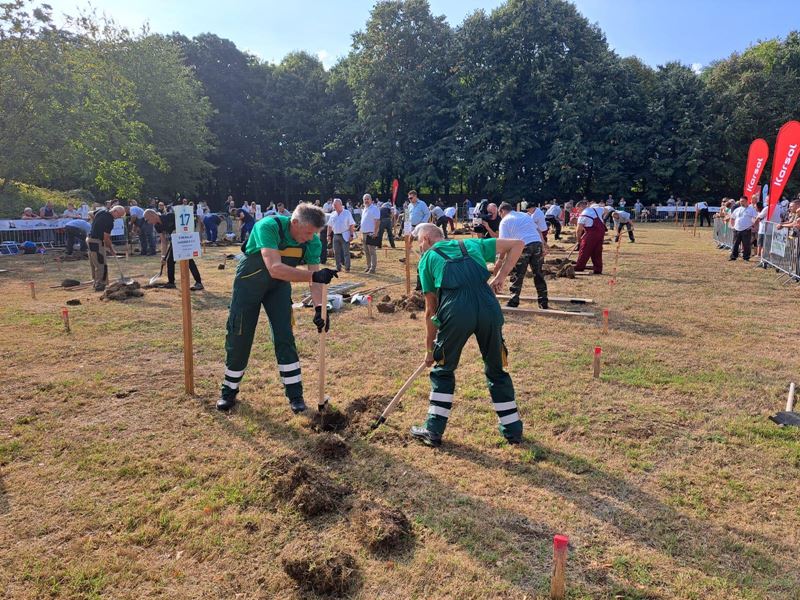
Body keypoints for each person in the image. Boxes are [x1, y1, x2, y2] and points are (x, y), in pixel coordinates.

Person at [409, 223, 525, 447]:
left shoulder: (427, 259)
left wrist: (430, 349)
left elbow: (430, 309)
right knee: (496, 369)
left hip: (455, 309)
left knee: (443, 369)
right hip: (488, 307)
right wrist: (500, 277)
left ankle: (433, 430)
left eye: (418, 243)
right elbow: (518, 244)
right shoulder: (472, 243)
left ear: (425, 239)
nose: (419, 248)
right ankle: (513, 431)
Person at [217, 204, 339, 413]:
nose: (311, 238)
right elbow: (274, 268)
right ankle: (229, 391)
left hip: (279, 288)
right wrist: (313, 276)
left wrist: (319, 309)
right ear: (295, 223)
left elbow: (315, 280)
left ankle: (295, 396)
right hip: (249, 283)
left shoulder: (312, 241)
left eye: (314, 234)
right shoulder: (269, 226)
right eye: (308, 232)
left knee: (285, 336)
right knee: (240, 334)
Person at [498, 202, 549, 309]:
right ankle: (543, 301)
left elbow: (504, 244)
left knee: (517, 274)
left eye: (500, 214)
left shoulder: (504, 221)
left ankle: (514, 300)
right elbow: (538, 230)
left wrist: (501, 260)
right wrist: (543, 244)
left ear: (502, 211)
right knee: (538, 273)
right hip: (536, 243)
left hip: (523, 246)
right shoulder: (524, 215)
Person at [143, 209, 204, 290]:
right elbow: (163, 241)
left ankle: (199, 283)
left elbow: (185, 222)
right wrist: (163, 256)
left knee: (189, 260)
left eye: (147, 219)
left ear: (152, 215)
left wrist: (178, 230)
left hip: (184, 240)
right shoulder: (157, 226)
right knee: (169, 260)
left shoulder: (170, 216)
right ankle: (171, 283)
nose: (148, 222)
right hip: (175, 242)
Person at [88, 205, 126, 291]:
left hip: (90, 240)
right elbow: (106, 238)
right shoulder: (109, 221)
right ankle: (100, 284)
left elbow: (90, 213)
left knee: (94, 263)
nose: (119, 218)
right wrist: (112, 249)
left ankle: (96, 281)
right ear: (115, 211)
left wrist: (96, 223)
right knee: (101, 264)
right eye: (119, 215)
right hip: (97, 242)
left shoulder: (102, 211)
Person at [574, 201, 606, 274]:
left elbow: (578, 230)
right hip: (601, 233)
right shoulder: (596, 209)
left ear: (581, 207)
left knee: (584, 250)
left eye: (578, 209)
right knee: (597, 251)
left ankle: (579, 267)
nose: (578, 211)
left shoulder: (583, 215)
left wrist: (579, 241)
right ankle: (598, 269)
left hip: (591, 234)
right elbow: (606, 210)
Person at [328, 198, 356, 272]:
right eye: (334, 205)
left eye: (335, 204)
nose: (334, 206)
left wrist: (351, 235)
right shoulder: (333, 214)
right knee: (336, 252)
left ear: (340, 204)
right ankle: (338, 267)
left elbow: (351, 225)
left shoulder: (347, 213)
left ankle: (347, 268)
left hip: (345, 234)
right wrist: (328, 235)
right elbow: (329, 226)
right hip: (335, 235)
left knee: (346, 252)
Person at [729, 196, 758, 261]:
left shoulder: (751, 209)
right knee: (735, 244)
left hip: (746, 229)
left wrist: (753, 225)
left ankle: (746, 257)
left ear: (747, 201)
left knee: (746, 244)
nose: (741, 203)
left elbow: (756, 218)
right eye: (740, 201)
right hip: (737, 229)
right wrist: (733, 226)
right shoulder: (737, 209)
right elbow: (732, 217)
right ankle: (733, 256)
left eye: (742, 201)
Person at [359, 194, 380, 273]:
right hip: (364, 233)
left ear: (371, 200)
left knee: (372, 252)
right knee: (366, 251)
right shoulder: (364, 208)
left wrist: (375, 232)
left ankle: (373, 268)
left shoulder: (374, 209)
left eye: (367, 199)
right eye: (365, 199)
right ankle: (368, 266)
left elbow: (377, 221)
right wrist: (361, 232)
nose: (366, 201)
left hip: (371, 233)